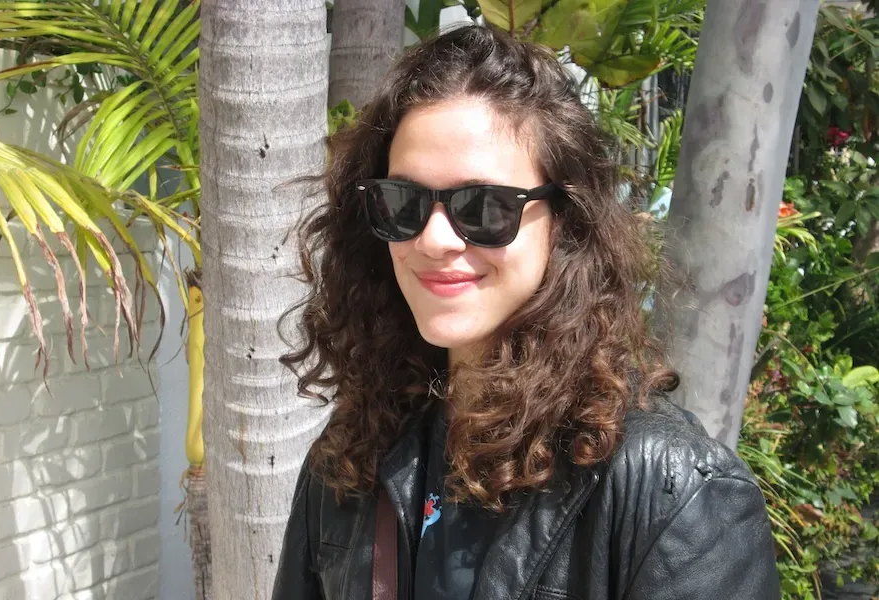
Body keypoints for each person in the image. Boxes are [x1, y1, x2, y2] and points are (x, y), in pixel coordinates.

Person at [272, 24, 780, 600]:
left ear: (564, 221)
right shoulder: (350, 461)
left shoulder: (677, 492)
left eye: (483, 206)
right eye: (402, 202)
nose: (435, 239)